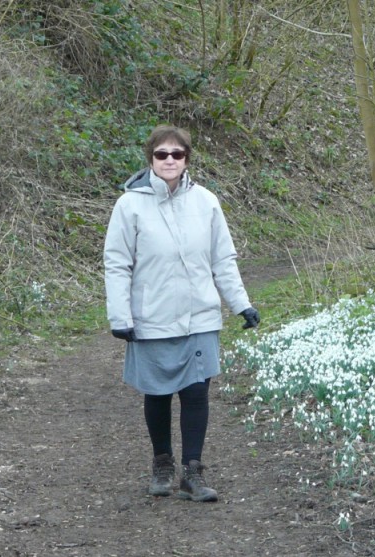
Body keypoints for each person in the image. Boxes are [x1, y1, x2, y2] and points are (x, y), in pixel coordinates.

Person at [103, 125, 260, 502]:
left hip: (199, 316)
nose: (170, 160)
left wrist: (241, 303)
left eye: (177, 154)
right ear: (151, 159)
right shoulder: (129, 205)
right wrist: (120, 316)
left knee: (196, 392)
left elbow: (222, 259)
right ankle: (162, 464)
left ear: (187, 158)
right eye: (162, 154)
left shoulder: (206, 202)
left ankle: (193, 472)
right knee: (157, 394)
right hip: (151, 318)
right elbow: (117, 263)